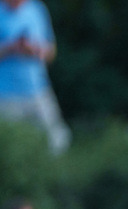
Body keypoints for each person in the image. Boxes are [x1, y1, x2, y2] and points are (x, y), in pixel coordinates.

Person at [0, 0, 70, 154]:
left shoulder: (37, 9)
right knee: (10, 149)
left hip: (38, 90)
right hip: (5, 96)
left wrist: (35, 50)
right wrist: (12, 48)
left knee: (57, 141)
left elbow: (51, 52)